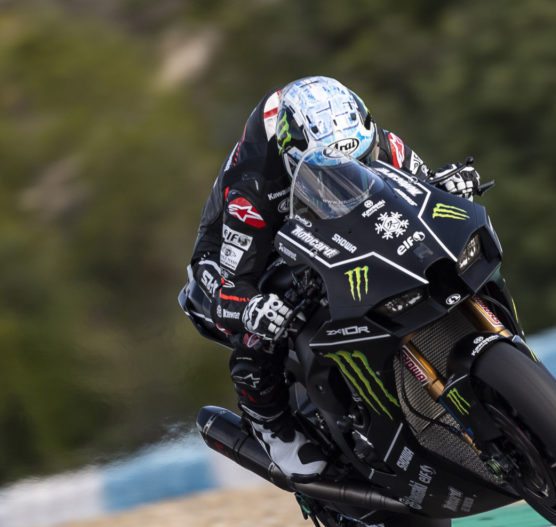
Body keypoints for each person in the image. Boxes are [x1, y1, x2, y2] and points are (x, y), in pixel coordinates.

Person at [185, 76, 479, 482]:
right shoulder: (252, 191)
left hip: (323, 227)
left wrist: (449, 185)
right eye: (329, 168)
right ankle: (270, 425)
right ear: (293, 156)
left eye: (357, 159)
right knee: (263, 323)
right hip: (238, 262)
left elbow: (422, 189)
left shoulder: (363, 136)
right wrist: (251, 307)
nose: (348, 169)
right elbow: (233, 284)